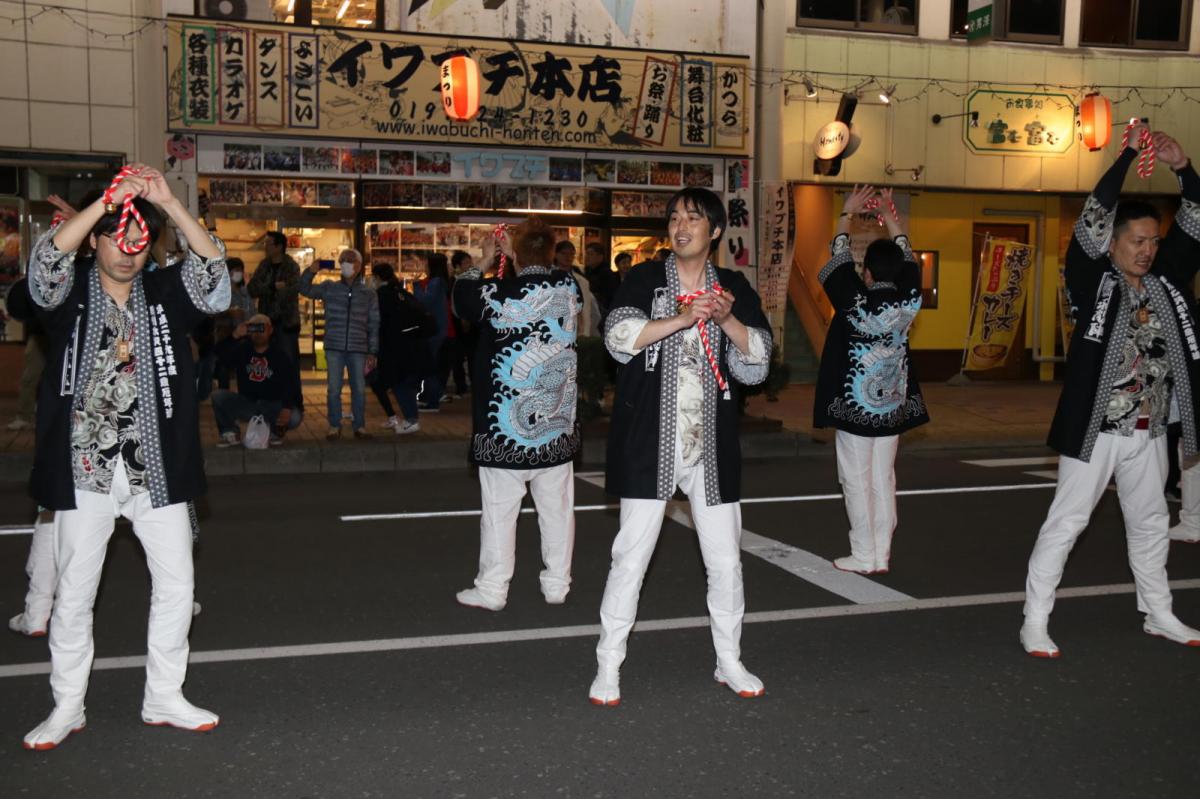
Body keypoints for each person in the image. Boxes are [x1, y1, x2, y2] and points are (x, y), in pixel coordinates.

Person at [21, 164, 227, 749]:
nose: (127, 251)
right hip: (83, 470)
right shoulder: (68, 296)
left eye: (138, 240)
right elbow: (42, 271)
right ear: (95, 239)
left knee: (177, 588)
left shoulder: (164, 291)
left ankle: (164, 694)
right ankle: (67, 705)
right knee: (74, 596)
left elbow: (216, 282)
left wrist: (169, 201)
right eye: (114, 236)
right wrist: (104, 203)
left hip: (156, 471)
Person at [1021, 125, 1200, 658]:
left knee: (1149, 523)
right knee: (1067, 522)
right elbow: (1093, 216)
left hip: (1149, 429)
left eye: (1153, 241)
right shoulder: (1090, 276)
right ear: (1113, 242)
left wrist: (1184, 168)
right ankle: (1035, 619)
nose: (1147, 250)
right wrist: (1125, 156)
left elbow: (1196, 223)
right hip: (1097, 429)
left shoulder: (1166, 281)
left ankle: (1159, 612)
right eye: (1136, 241)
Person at [589, 187, 772, 706]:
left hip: (710, 448)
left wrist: (725, 319)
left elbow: (756, 364)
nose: (680, 226)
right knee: (630, 557)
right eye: (674, 218)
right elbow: (618, 338)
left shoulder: (733, 286)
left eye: (692, 218)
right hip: (652, 441)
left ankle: (729, 661)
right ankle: (609, 663)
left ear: (715, 231)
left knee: (725, 562)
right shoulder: (645, 279)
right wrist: (683, 318)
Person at [452, 219, 581, 611]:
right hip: (555, 428)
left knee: (499, 513)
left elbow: (461, 297)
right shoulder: (569, 288)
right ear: (553, 250)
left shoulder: (497, 292)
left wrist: (487, 260)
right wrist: (517, 255)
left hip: (504, 431)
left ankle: (493, 589)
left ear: (513, 253)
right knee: (557, 510)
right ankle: (557, 584)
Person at [814, 185, 929, 575]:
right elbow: (909, 257)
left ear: (867, 271)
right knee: (884, 478)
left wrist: (847, 213)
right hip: (892, 405)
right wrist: (891, 218)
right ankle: (882, 552)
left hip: (856, 405)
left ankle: (863, 552)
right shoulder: (910, 300)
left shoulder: (854, 300)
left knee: (855, 480)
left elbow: (837, 257)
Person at [300, 248, 379, 440]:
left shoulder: (368, 293)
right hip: (334, 346)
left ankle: (359, 426)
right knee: (333, 388)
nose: (346, 263)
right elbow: (304, 289)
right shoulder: (329, 287)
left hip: (358, 348)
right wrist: (311, 271)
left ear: (359, 266)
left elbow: (374, 323)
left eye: (351, 260)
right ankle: (334, 425)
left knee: (359, 388)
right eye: (343, 259)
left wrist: (372, 351)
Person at [211, 314, 303, 446]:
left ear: (270, 330)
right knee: (218, 396)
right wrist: (235, 335)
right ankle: (230, 432)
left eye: (262, 328)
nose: (258, 333)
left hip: (272, 406)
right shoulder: (242, 350)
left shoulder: (280, 355)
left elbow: (290, 383)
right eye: (254, 328)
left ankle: (274, 431)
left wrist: (287, 407)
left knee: (294, 416)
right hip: (249, 404)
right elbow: (218, 353)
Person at [373, 262, 429, 435]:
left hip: (393, 345)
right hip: (409, 343)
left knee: (399, 383)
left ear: (378, 278)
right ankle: (404, 418)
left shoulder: (382, 294)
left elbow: (379, 321)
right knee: (400, 381)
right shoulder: (400, 292)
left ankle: (411, 420)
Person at [247, 231, 301, 365]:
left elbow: (292, 291)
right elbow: (252, 289)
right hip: (265, 321)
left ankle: (289, 387)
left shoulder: (291, 266)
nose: (265, 247)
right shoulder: (263, 265)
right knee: (264, 361)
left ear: (279, 247)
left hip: (286, 323)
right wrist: (272, 286)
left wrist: (267, 289)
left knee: (288, 361)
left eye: (269, 244)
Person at [413, 253, 450, 412]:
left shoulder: (435, 282)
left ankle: (432, 401)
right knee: (431, 366)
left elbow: (424, 301)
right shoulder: (442, 282)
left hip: (433, 330)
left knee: (429, 367)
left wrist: (416, 286)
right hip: (439, 329)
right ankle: (431, 397)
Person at [555, 240, 601, 338]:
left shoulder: (582, 281)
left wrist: (585, 332)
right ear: (556, 255)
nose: (568, 257)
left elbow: (587, 309)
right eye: (564, 253)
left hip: (576, 330)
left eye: (571, 254)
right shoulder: (547, 277)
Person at [583, 242, 621, 321]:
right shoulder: (587, 271)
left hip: (602, 313)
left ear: (600, 256)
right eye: (586, 254)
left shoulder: (607, 274)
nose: (587, 257)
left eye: (591, 254)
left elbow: (609, 296)